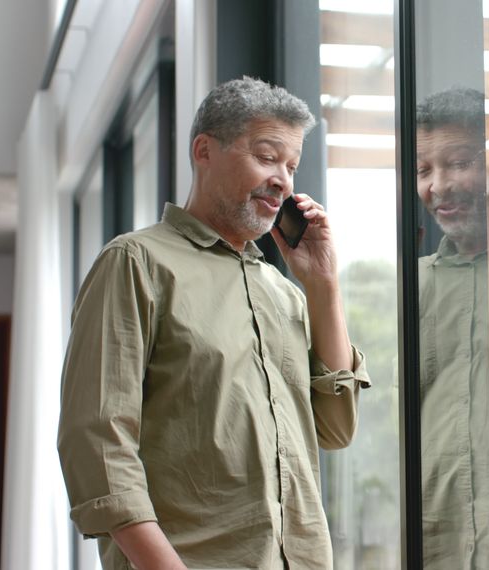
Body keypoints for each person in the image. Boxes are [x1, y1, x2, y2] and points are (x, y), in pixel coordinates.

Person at [57, 76, 369, 570]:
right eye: (267, 157)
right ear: (204, 150)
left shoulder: (283, 291)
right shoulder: (136, 262)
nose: (284, 181)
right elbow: (97, 440)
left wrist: (324, 287)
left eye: (291, 166)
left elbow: (334, 429)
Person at [415, 86, 489, 569]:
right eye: (424, 170)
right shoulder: (411, 286)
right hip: (433, 542)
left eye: (459, 162)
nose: (438, 186)